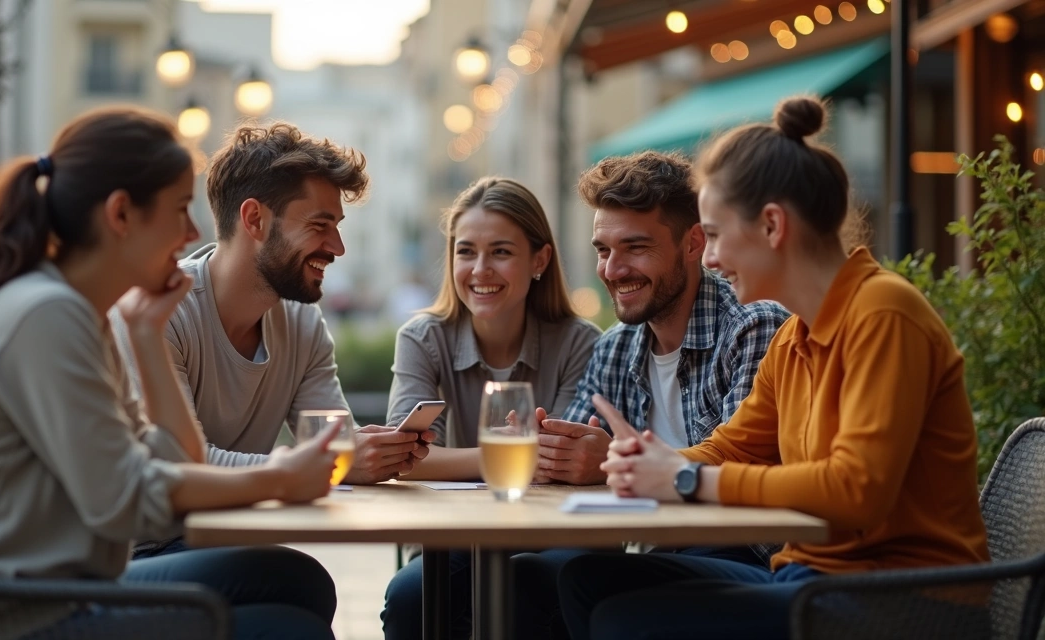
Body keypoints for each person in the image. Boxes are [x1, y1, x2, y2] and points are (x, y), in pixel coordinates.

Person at [557, 96, 990, 640]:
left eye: (713, 235)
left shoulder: (883, 313)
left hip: (905, 599)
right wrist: (653, 462)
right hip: (813, 578)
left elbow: (857, 490)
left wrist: (684, 478)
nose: (708, 259)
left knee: (626, 618)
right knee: (589, 579)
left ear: (771, 226)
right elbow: (731, 447)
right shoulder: (796, 334)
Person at [0, 107, 340, 640]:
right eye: (179, 209)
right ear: (121, 215)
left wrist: (146, 337)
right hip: (8, 612)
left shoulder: (85, 314)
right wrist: (276, 479)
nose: (193, 232)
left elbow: (175, 460)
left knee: (299, 580)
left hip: (63, 590)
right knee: (284, 626)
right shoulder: (45, 314)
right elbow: (125, 504)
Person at [110, 122, 435, 558]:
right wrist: (314, 467)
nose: (337, 247)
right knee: (295, 578)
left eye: (337, 226)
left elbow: (333, 443)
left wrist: (371, 454)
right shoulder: (158, 312)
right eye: (320, 225)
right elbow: (181, 465)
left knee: (304, 590)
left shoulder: (302, 321)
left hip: (223, 540)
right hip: (137, 552)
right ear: (254, 219)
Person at [508, 151, 790, 638]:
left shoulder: (752, 326)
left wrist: (615, 466)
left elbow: (744, 472)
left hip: (745, 550)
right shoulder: (616, 347)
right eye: (602, 250)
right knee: (521, 580)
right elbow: (577, 460)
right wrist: (552, 453)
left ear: (693, 243)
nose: (613, 270)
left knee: (590, 583)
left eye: (634, 248)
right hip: (657, 549)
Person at [380, 177, 601, 640]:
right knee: (408, 598)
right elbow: (402, 460)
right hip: (461, 533)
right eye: (466, 251)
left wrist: (450, 461)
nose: (480, 269)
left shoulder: (579, 342)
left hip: (558, 536)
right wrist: (504, 458)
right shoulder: (423, 338)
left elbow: (558, 466)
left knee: (522, 589)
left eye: (500, 251)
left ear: (539, 260)